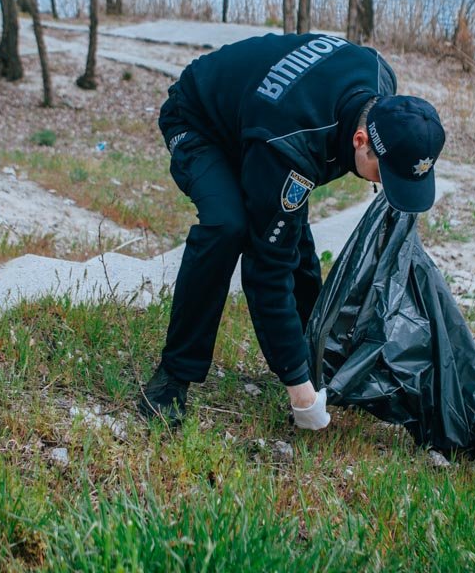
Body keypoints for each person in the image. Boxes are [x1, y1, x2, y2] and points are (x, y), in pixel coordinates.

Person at [139, 31, 446, 429]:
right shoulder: (290, 144)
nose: (387, 186)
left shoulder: (378, 78)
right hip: (200, 118)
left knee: (287, 226)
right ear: (360, 140)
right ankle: (172, 377)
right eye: (384, 174)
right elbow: (265, 274)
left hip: (259, 120)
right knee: (228, 225)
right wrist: (299, 391)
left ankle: (313, 355)